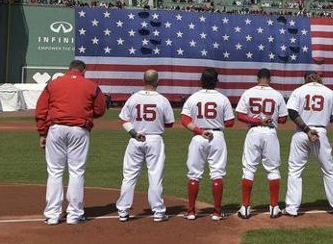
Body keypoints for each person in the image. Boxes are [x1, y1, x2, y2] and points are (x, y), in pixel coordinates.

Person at [35, 60, 107, 225]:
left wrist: (42, 132)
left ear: (68, 69)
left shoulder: (53, 84)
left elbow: (41, 109)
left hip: (56, 128)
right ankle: (74, 214)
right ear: (83, 71)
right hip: (79, 130)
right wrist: (86, 113)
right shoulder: (91, 85)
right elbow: (100, 109)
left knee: (55, 171)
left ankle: (52, 215)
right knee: (77, 171)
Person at [115, 69, 174, 223]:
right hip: (154, 139)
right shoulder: (162, 100)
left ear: (143, 80)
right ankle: (158, 212)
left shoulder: (133, 98)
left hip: (135, 139)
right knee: (155, 175)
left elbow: (123, 120)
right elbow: (170, 123)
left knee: (129, 176)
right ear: (157, 82)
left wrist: (134, 132)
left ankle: (123, 211)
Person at [284, 71, 333, 217]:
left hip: (301, 132)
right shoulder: (329, 92)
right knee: (328, 170)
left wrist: (306, 129)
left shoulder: (299, 91)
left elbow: (292, 112)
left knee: (295, 171)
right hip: (320, 133)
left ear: (305, 79)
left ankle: (292, 208)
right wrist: (322, 119)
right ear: (319, 78)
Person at [181, 68, 235, 221]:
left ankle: (191, 211)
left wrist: (199, 130)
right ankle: (217, 213)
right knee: (217, 174)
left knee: (194, 174)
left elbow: (185, 120)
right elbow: (230, 122)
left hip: (198, 136)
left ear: (201, 81)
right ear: (216, 82)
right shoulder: (223, 98)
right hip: (217, 136)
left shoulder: (193, 97)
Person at [235, 68, 288, 219]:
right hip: (270, 133)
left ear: (257, 78)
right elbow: (283, 119)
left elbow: (240, 115)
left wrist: (257, 119)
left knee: (249, 168)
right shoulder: (277, 94)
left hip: (253, 132)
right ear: (270, 79)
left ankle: (245, 207)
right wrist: (271, 118)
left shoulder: (248, 92)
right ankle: (274, 207)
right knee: (273, 170)